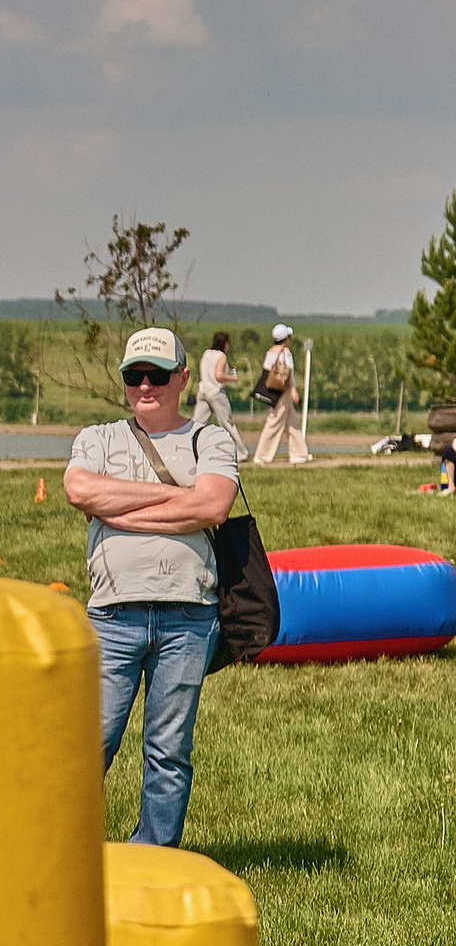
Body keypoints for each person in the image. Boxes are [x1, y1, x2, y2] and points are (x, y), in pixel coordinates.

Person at [65, 328, 240, 848]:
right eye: (134, 375)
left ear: (182, 379)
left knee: (168, 750)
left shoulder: (210, 439)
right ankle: (65, 853)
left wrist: (118, 511)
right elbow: (79, 489)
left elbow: (213, 505)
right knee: (90, 744)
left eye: (158, 375)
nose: (145, 386)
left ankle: (154, 854)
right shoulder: (97, 438)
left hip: (189, 617)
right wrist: (176, 501)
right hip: (112, 617)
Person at [254, 324, 312, 467]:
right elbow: (289, 374)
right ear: (286, 338)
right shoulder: (286, 353)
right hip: (283, 391)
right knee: (274, 422)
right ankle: (262, 455)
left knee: (292, 421)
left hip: (273, 390)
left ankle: (299, 453)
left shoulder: (270, 352)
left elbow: (266, 370)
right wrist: (293, 391)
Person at [192, 331, 235, 432]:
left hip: (203, 391)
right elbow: (218, 375)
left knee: (198, 423)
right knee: (227, 424)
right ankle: (235, 443)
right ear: (225, 343)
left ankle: (189, 440)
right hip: (216, 392)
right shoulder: (221, 356)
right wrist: (232, 378)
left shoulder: (206, 353)